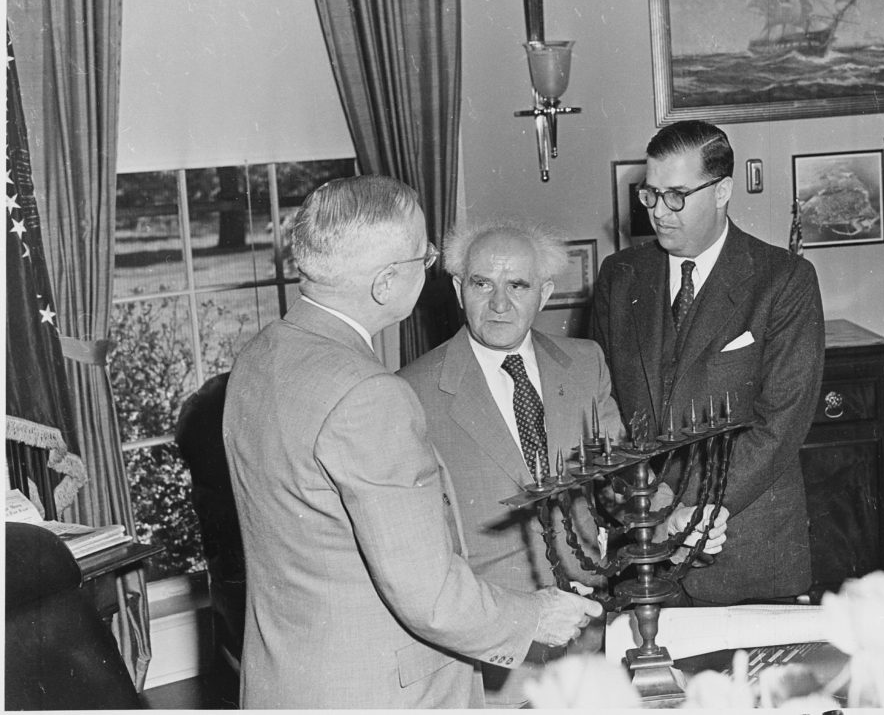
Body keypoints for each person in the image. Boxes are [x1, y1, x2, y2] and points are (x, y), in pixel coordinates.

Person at [222, 176, 600, 709]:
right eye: (424, 257)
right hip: (380, 691)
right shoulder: (372, 395)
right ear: (385, 284)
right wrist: (535, 614)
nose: (430, 267)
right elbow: (431, 596)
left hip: (289, 681)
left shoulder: (260, 357)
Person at [399, 218, 727, 704]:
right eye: (481, 283)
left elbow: (620, 476)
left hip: (586, 640)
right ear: (456, 287)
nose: (500, 303)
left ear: (546, 293)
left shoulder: (584, 363)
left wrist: (669, 520)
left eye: (518, 285)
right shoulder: (411, 390)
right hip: (490, 660)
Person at [591, 120, 825, 606]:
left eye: (677, 195)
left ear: (722, 192)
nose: (659, 212)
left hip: (746, 551)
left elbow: (780, 422)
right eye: (650, 194)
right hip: (644, 549)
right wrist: (655, 512)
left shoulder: (784, 280)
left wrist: (694, 510)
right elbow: (604, 404)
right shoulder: (620, 276)